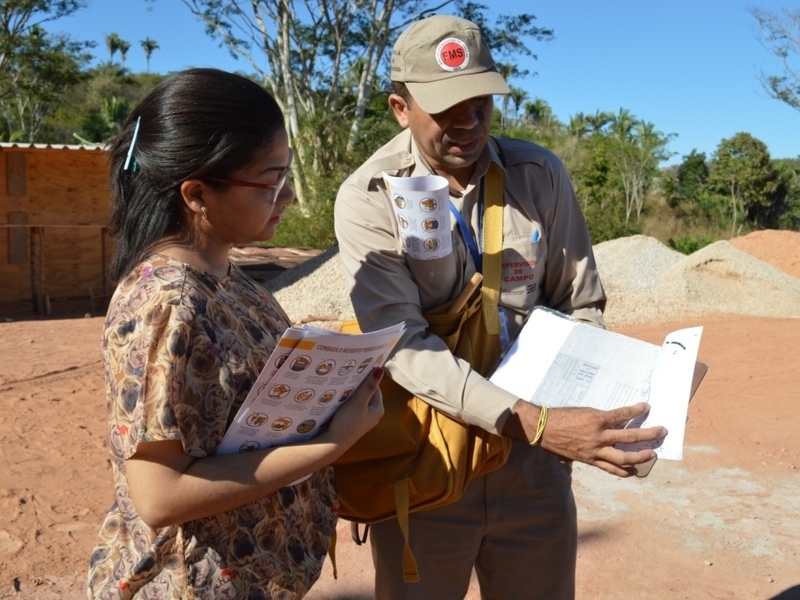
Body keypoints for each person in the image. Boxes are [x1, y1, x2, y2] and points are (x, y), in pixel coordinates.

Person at [334, 14, 667, 600]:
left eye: (480, 102)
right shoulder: (370, 197)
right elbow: (404, 346)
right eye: (445, 107)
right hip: (426, 457)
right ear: (399, 108)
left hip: (533, 467)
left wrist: (599, 414)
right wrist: (538, 423)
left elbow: (580, 302)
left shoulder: (539, 176)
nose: (467, 122)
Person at [86, 68, 384, 599]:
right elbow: (160, 496)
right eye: (271, 180)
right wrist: (332, 442)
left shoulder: (226, 275)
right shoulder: (168, 303)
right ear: (197, 193)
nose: (288, 195)